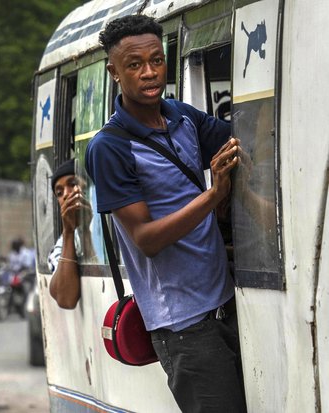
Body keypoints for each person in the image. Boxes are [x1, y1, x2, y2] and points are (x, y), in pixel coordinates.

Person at [84, 15, 246, 412]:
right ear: (114, 72)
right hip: (185, 328)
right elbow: (146, 239)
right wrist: (214, 195)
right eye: (135, 65)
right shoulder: (109, 148)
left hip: (229, 302)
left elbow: (244, 139)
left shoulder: (181, 116)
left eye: (156, 60)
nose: (149, 72)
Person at [47, 159, 94, 309]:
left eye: (73, 183)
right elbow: (66, 299)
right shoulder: (66, 242)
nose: (67, 194)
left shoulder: (114, 220)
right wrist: (68, 231)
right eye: (59, 193)